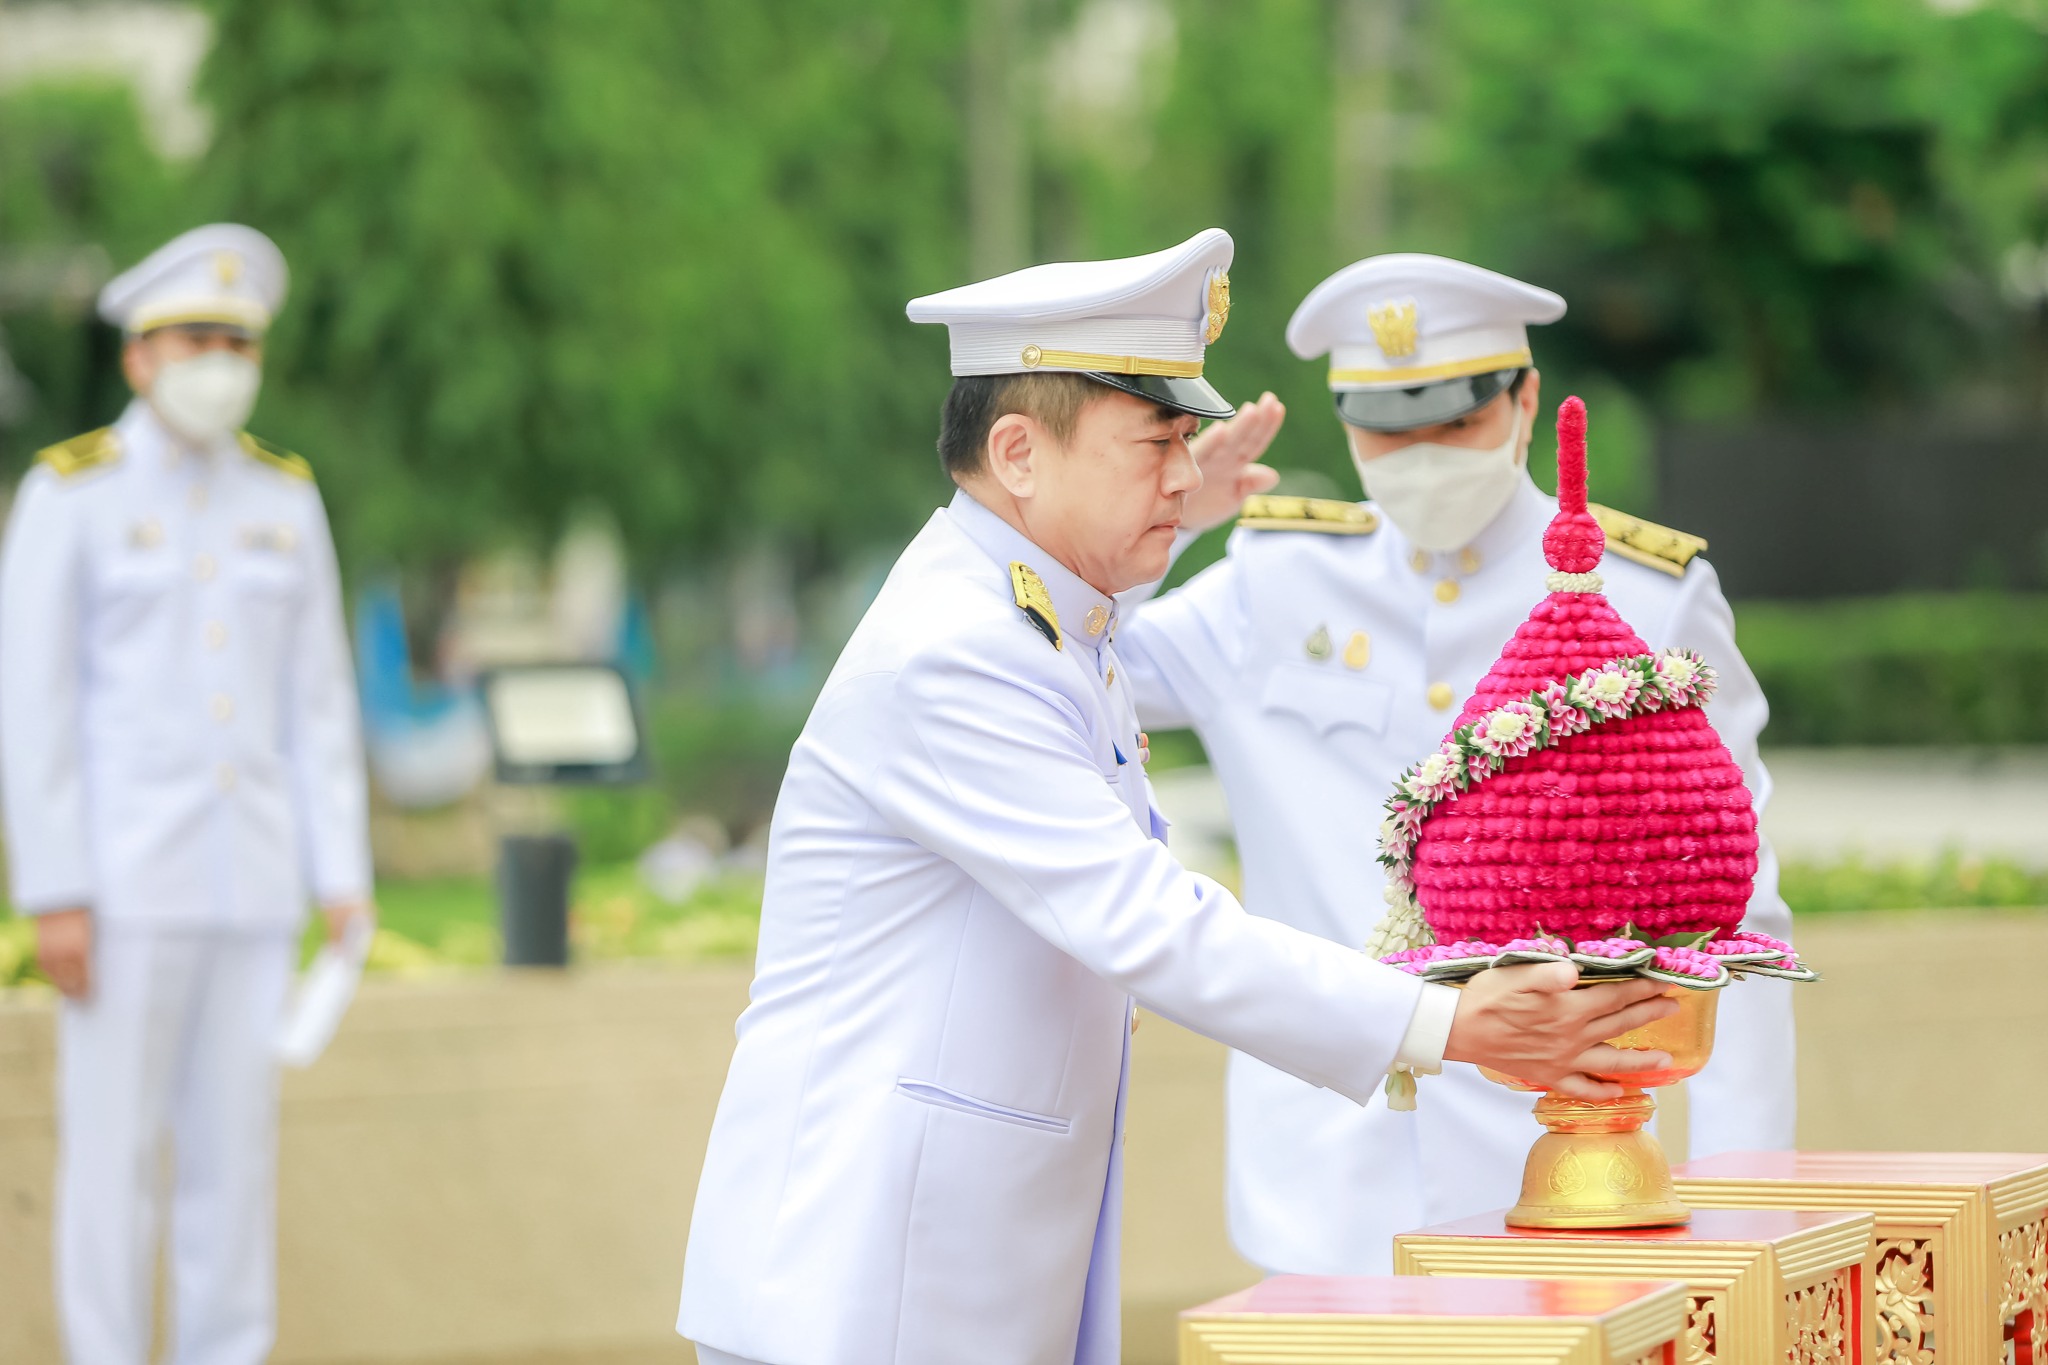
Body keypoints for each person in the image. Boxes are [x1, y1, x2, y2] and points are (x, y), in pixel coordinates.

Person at [675, 230, 1680, 1365]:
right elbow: (1149, 920)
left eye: (1186, 443)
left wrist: (1162, 519)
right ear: (1017, 452)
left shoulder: (1040, 620)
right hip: (862, 1281)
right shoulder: (959, 651)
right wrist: (1443, 1020)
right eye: (1154, 443)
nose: (1183, 474)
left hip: (927, 1268)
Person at [1115, 253, 1797, 1276]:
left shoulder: (1647, 598)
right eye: (1385, 430)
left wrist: (1746, 1209)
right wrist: (1159, 526)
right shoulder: (1271, 581)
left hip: (1572, 1169)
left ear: (1524, 401)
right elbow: (1069, 671)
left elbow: (1738, 909)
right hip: (1323, 1181)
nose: (1421, 455)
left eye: (1457, 420)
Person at [0, 223, 373, 1365]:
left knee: (233, 1166)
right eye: (195, 339)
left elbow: (318, 702)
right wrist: (55, 889)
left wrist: (340, 872)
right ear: (139, 356)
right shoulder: (72, 494)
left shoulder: (283, 498)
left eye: (237, 342)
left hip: (250, 881)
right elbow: (34, 704)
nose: (219, 362)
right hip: (122, 888)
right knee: (111, 1165)